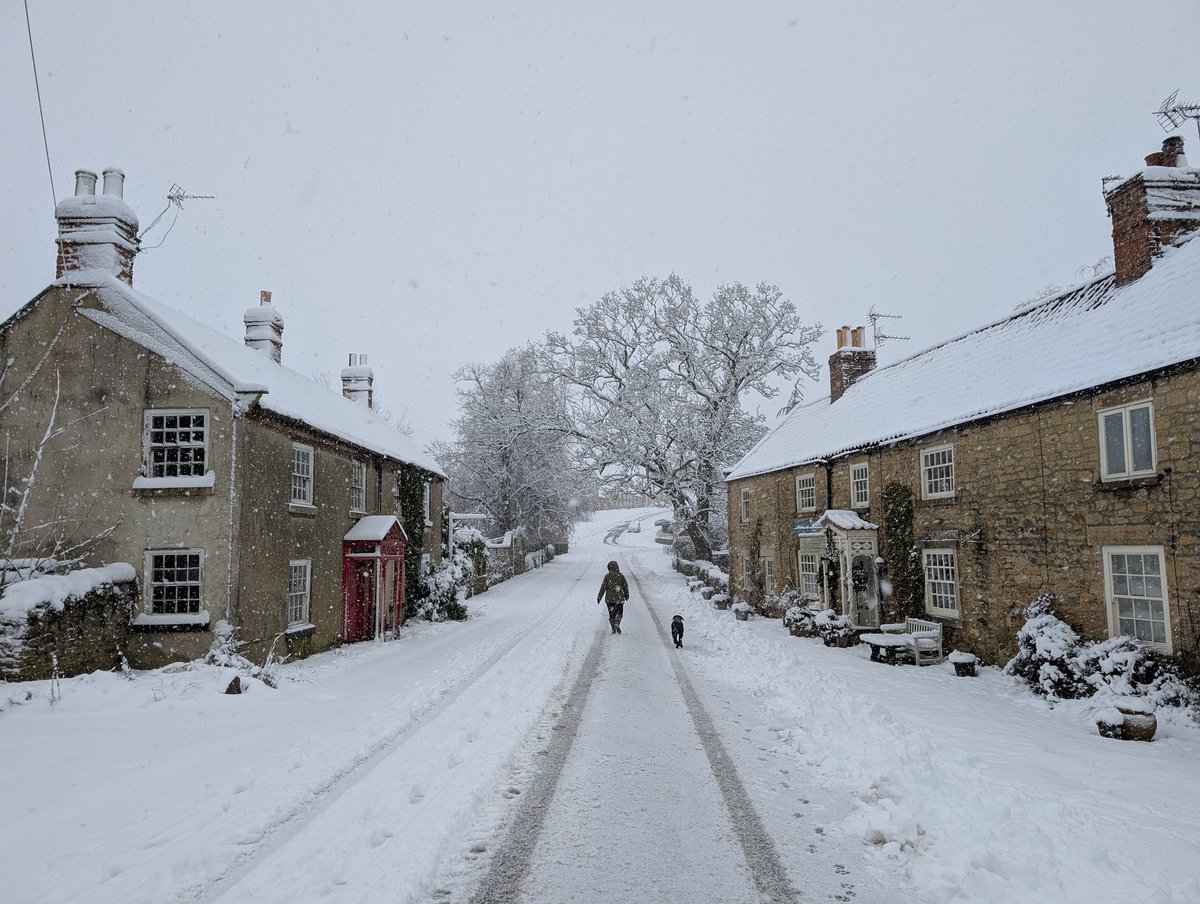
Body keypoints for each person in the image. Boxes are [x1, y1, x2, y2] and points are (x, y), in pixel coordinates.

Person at [596, 560, 629, 634]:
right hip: (619, 599)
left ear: (609, 568)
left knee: (612, 614)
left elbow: (603, 587)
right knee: (619, 612)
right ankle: (617, 623)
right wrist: (626, 595)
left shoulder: (607, 576)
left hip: (610, 599)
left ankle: (613, 628)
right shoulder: (621, 576)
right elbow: (625, 586)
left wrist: (599, 596)